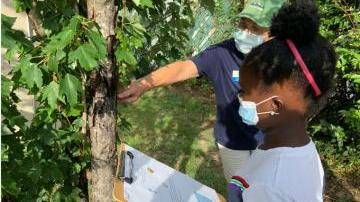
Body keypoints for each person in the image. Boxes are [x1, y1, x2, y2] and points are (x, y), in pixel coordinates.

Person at [118, 0, 286, 180]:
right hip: (233, 143)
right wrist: (144, 84)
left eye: (255, 28)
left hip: (271, 140)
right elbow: (183, 68)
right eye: (243, 24)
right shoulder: (221, 53)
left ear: (274, 34)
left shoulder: (285, 57)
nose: (245, 32)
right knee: (241, 191)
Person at [227, 1, 337, 201]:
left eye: (244, 91)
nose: (239, 98)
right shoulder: (297, 151)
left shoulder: (272, 186)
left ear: (275, 105)